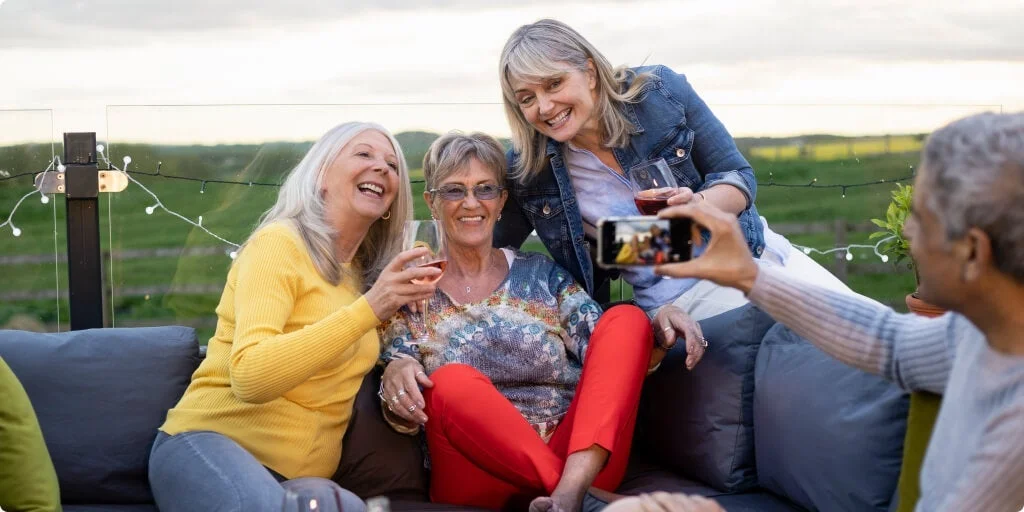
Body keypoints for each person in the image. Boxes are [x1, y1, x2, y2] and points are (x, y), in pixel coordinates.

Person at [655, 112, 1024, 511]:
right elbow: (888, 343)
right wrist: (748, 275)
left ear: (972, 252)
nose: (906, 231)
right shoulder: (981, 335)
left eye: (922, 217)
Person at [378, 132, 694, 512]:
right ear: (431, 202)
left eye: (485, 189)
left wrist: (656, 330)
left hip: (581, 454)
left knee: (626, 318)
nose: (471, 203)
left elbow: (611, 361)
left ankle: (569, 493)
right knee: (450, 382)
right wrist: (394, 379)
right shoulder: (412, 290)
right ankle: (578, 499)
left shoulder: (543, 275)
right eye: (454, 191)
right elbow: (403, 405)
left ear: (502, 201)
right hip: (476, 474)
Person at [148, 122, 442, 512]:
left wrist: (418, 250)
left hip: (299, 479)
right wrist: (371, 307)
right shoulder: (279, 244)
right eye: (364, 154)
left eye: (392, 164)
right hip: (211, 444)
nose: (383, 168)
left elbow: (417, 251)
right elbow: (251, 376)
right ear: (320, 175)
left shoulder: (361, 273)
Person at [494, 18, 842, 344]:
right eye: (527, 98)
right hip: (679, 298)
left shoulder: (659, 95)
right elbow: (484, 247)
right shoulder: (530, 168)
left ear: (589, 72)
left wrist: (697, 207)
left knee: (867, 335)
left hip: (754, 253)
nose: (545, 106)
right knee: (814, 353)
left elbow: (738, 176)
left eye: (554, 84)